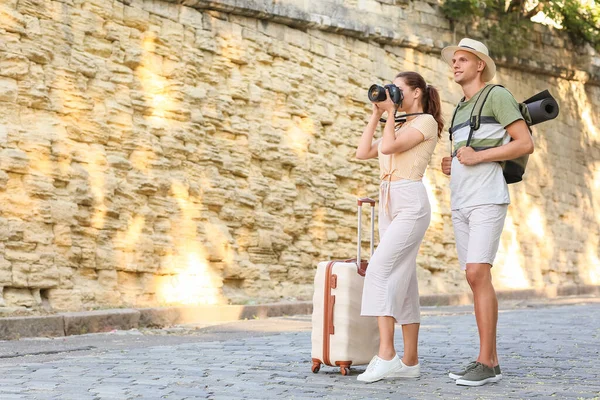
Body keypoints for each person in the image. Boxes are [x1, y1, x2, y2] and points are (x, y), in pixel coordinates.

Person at [440, 38, 534, 386]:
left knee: (479, 272)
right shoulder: (459, 108)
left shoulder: (496, 95)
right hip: (460, 199)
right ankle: (489, 361)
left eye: (463, 59)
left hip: (487, 197)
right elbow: (470, 150)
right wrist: (453, 162)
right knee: (473, 276)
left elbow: (525, 143)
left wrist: (477, 157)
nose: (456, 64)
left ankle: (485, 360)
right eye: (453, 61)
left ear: (480, 65)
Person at [355, 71, 444, 383]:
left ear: (416, 93)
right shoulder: (401, 123)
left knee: (379, 271)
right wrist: (376, 114)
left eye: (399, 89)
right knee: (404, 281)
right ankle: (410, 361)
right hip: (389, 202)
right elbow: (363, 152)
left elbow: (390, 148)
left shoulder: (425, 123)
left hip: (410, 202)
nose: (393, 93)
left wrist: (390, 115)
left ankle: (387, 354)